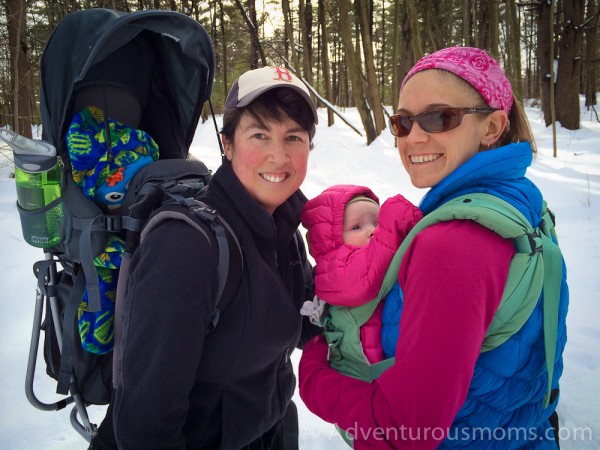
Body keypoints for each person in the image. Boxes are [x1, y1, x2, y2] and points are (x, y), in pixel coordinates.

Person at [299, 46, 569, 448]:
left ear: (493, 127)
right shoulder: (523, 202)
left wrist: (316, 379)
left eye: (440, 117)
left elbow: (407, 429)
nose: (415, 137)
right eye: (403, 122)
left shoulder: (452, 242)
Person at [112, 65, 320, 449]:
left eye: (294, 136)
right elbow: (146, 426)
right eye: (260, 134)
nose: (279, 155)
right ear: (227, 145)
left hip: (264, 431)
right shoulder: (187, 247)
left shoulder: (285, 231)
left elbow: (306, 324)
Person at [300, 184, 422, 363]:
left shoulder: (375, 256)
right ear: (332, 239)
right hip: (363, 369)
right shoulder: (334, 268)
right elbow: (366, 277)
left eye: (377, 222)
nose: (372, 231)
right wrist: (396, 218)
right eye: (356, 227)